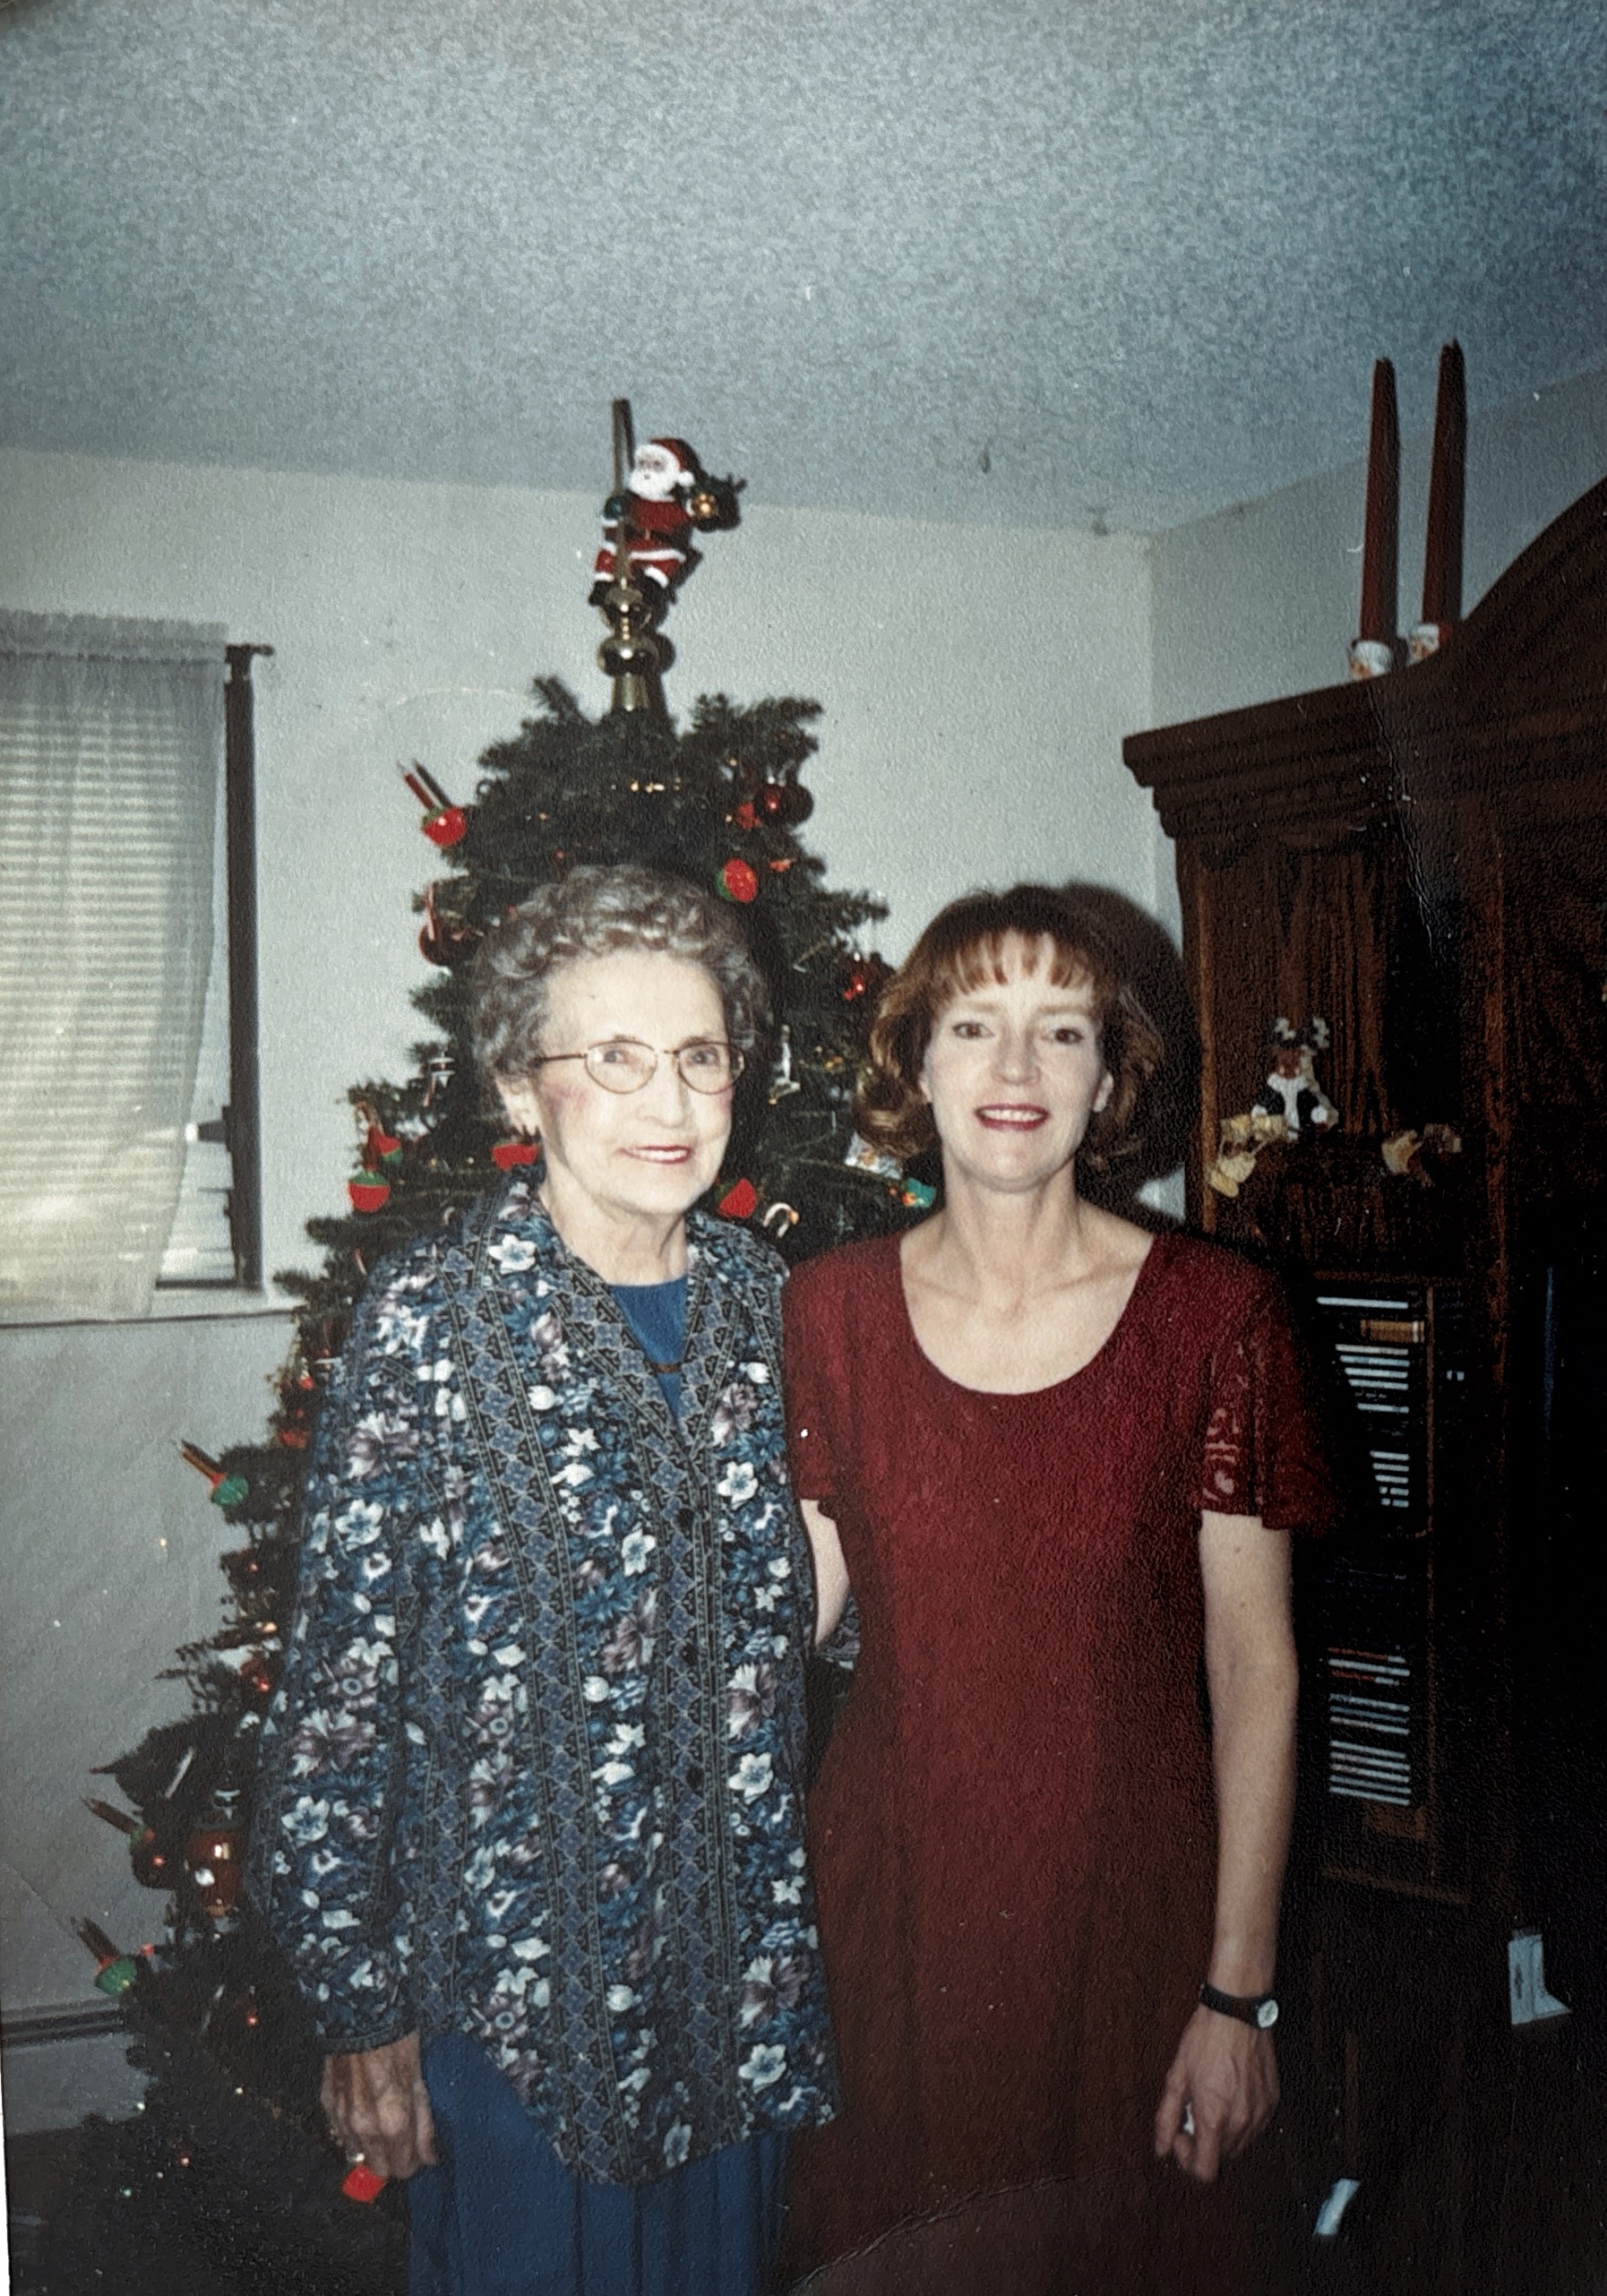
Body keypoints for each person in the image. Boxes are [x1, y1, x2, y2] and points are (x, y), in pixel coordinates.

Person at [247, 863, 837, 2296]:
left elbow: (832, 1616)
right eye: (613, 1060)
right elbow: (338, 1694)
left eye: (699, 1057)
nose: (669, 1104)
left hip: (734, 1983)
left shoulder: (783, 1306)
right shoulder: (433, 1322)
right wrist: (359, 2006)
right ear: (522, 1087)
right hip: (515, 2014)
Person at [779, 885, 1334, 2293]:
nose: (1015, 1074)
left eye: (1060, 1032)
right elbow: (789, 1619)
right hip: (892, 1924)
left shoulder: (1216, 1318)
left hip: (1135, 1935)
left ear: (1111, 1073)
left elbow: (1256, 1671)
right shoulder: (825, 1313)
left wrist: (1237, 1992)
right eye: (974, 1027)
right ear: (916, 1064)